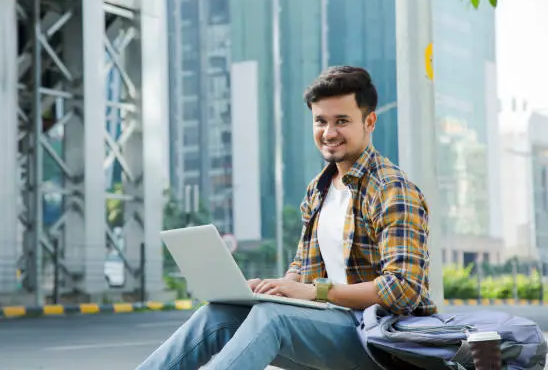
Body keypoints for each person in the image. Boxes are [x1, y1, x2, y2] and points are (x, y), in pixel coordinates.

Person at [136, 66, 437, 370]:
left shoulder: (391, 189)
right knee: (218, 314)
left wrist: (315, 292)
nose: (329, 133)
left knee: (273, 318)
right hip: (331, 324)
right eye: (321, 121)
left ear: (369, 121)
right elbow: (302, 268)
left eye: (342, 121)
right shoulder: (318, 189)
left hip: (381, 338)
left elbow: (404, 289)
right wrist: (273, 287)